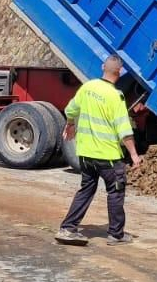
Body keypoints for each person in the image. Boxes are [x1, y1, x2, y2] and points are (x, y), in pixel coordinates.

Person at [56, 55, 142, 245]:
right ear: (119, 73)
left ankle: (67, 228)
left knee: (86, 189)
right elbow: (124, 130)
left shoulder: (87, 87)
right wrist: (135, 156)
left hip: (86, 154)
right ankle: (116, 234)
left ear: (103, 67)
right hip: (108, 157)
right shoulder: (115, 96)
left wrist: (70, 124)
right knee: (116, 191)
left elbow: (71, 109)